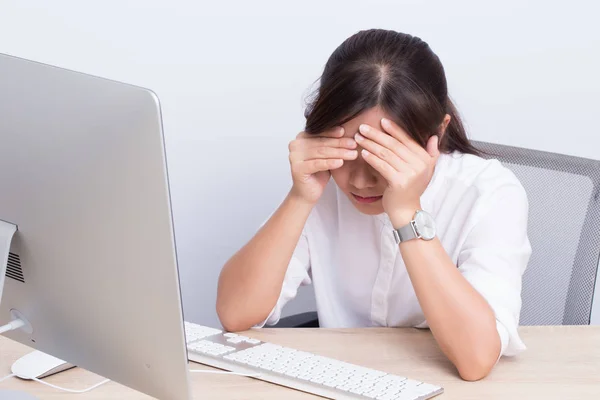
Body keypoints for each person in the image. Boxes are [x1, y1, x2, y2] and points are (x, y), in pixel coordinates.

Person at [216, 29, 531, 381]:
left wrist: (407, 213)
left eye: (384, 156)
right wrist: (300, 197)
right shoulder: (322, 183)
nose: (361, 181)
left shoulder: (489, 193)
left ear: (437, 133)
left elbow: (476, 358)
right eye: (349, 152)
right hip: (341, 379)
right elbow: (235, 313)